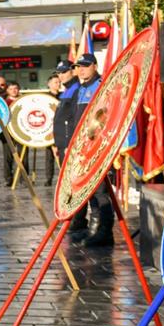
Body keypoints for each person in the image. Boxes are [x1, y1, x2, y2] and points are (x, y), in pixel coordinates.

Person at [56, 52, 112, 246]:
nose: (81, 69)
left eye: (85, 66)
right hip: (80, 148)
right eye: (79, 66)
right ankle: (90, 227)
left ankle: (103, 231)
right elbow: (72, 120)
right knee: (85, 188)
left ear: (95, 66)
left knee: (98, 190)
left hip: (96, 146)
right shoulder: (79, 89)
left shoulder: (102, 86)